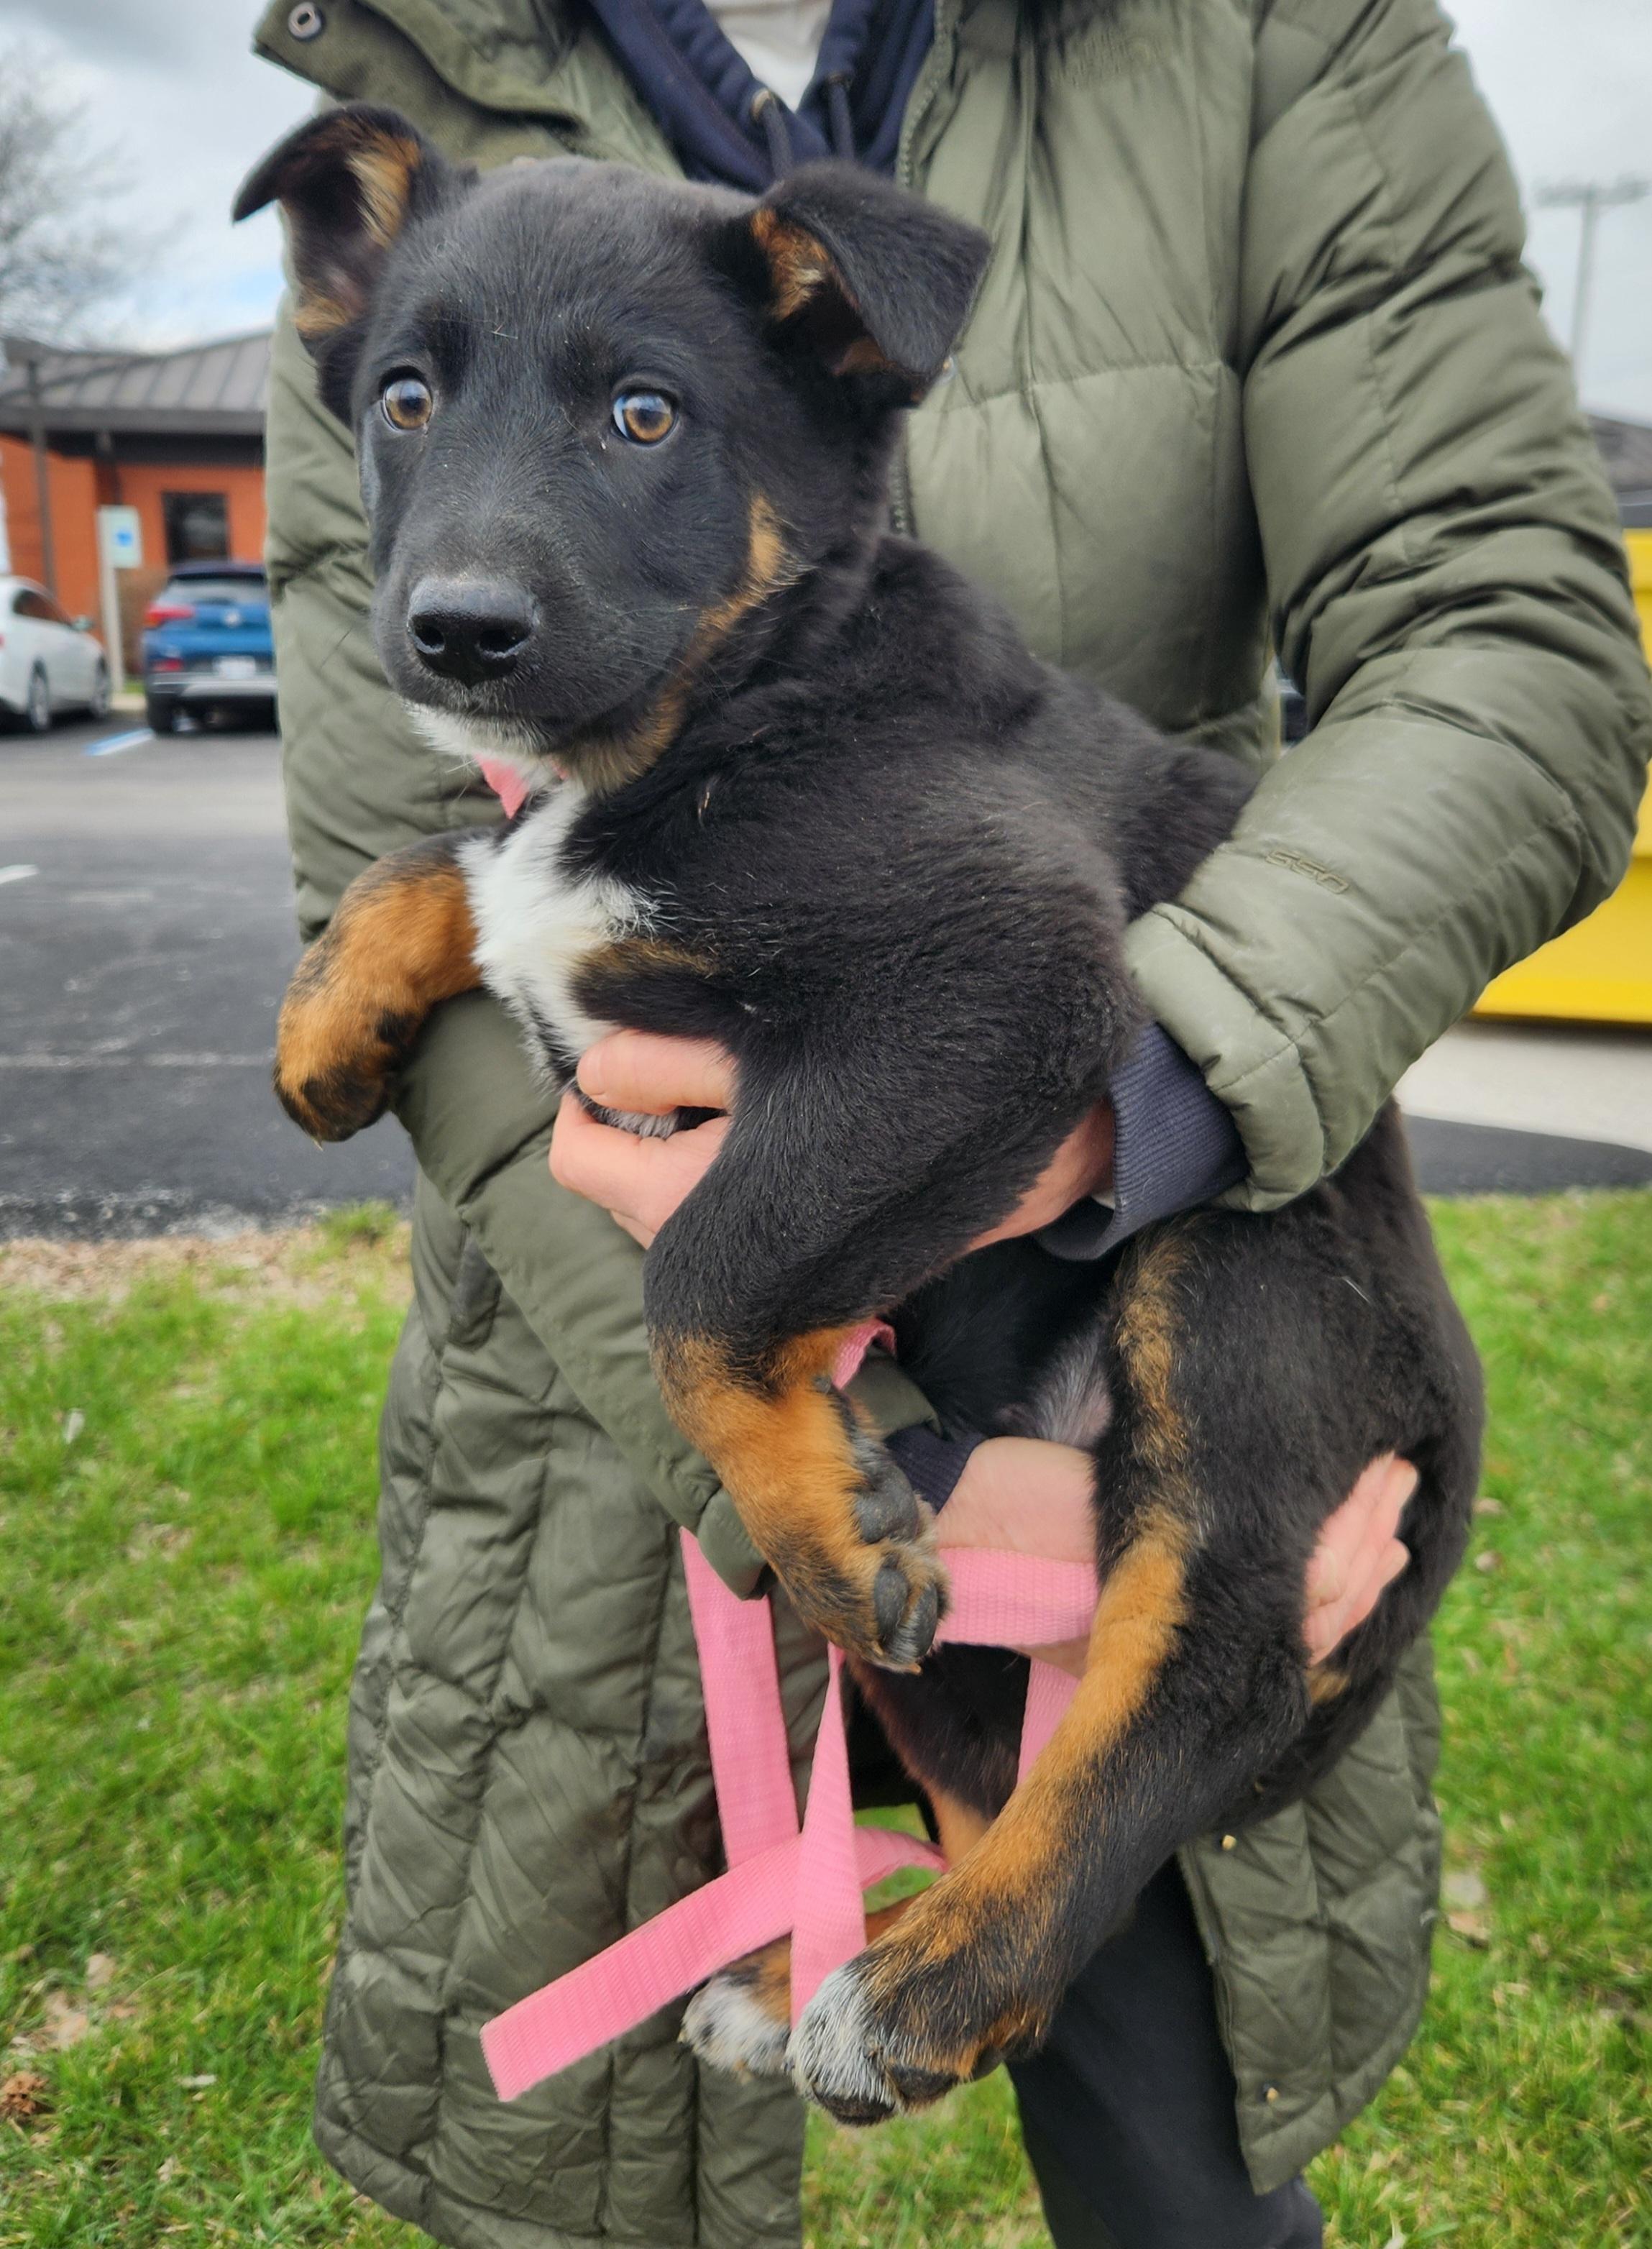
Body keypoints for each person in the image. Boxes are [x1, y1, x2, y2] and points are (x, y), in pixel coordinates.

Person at [249, 0, 1651, 2242]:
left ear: (829, 410)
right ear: (355, 338)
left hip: (1220, 1249)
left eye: (630, 417)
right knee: (597, 2149)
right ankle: (959, 1846)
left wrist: (809, 1319)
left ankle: (1005, 1920)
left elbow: (1503, 635)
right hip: (678, 1501)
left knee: (1174, 2122)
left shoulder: (1264, 51)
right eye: (414, 403)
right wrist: (424, 934)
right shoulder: (433, 169)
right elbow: (404, 858)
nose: (471, 550)